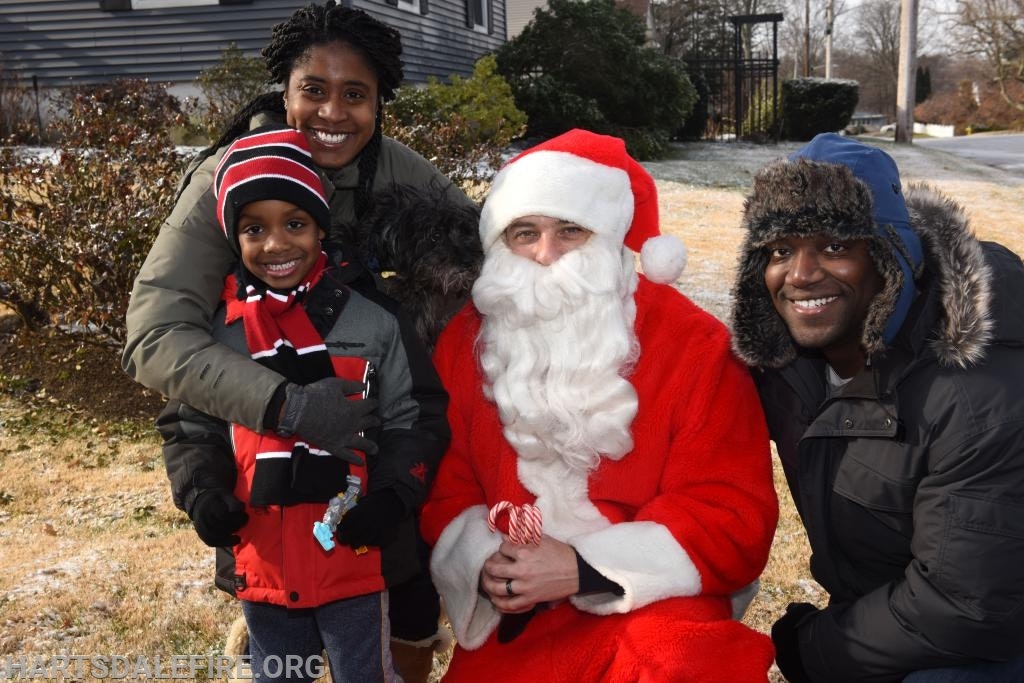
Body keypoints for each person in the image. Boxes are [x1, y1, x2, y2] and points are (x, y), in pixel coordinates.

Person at [122, 2, 469, 674]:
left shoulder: (405, 176)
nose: (333, 113)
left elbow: (487, 264)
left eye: (355, 94)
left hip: (378, 430)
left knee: (405, 594)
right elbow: (154, 334)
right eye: (313, 90)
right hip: (261, 435)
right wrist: (282, 403)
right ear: (284, 91)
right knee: (285, 605)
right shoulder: (225, 179)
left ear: (380, 103)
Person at [419, 129, 780, 681]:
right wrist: (487, 558)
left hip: (649, 605)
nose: (545, 255)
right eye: (524, 233)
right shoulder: (466, 343)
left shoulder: (695, 345)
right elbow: (448, 482)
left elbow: (730, 510)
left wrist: (583, 567)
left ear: (610, 238)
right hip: (517, 618)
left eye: (571, 231)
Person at [157, 125, 449, 683]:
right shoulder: (219, 336)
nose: (276, 244)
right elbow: (191, 426)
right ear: (232, 238)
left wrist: (394, 496)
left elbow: (418, 419)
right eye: (253, 229)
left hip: (358, 559)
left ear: (321, 228)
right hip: (262, 560)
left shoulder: (375, 323)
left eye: (295, 223)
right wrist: (202, 492)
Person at [729, 132, 1024, 682]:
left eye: (835, 246)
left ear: (891, 254)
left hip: (991, 640)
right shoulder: (788, 360)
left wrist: (813, 650)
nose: (800, 273)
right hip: (889, 615)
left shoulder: (976, 392)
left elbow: (969, 607)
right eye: (779, 249)